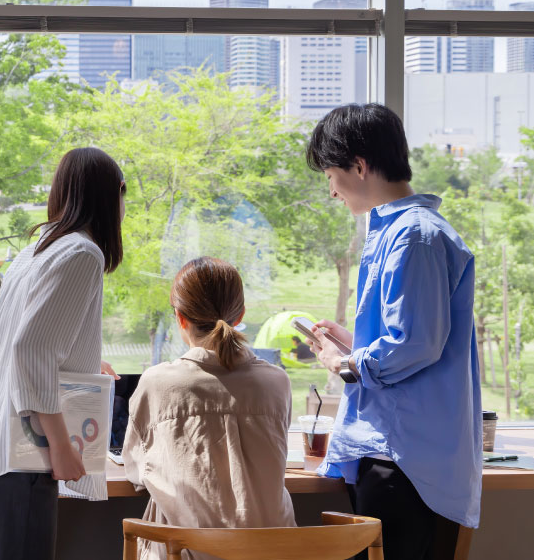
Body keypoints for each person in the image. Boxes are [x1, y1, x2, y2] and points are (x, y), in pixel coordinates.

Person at [305, 103, 479, 559]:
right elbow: (414, 335)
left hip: (403, 460)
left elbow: (416, 343)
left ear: (359, 167)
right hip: (397, 455)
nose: (331, 192)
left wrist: (342, 362)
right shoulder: (401, 232)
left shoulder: (413, 235)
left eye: (330, 176)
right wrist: (354, 343)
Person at [0, 147, 126, 560]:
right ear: (112, 195)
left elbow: (19, 340)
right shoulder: (82, 253)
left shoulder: (37, 249)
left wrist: (85, 360)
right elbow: (30, 349)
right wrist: (60, 445)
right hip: (12, 461)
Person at [123, 257, 295, 560]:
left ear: (180, 318)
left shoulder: (158, 382)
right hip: (274, 552)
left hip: (189, 553)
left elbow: (137, 469)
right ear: (240, 315)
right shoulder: (276, 382)